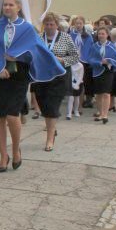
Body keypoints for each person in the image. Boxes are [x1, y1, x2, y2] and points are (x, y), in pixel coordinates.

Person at [0, 0, 65, 172]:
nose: (7, 8)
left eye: (10, 5)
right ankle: (2, 155)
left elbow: (37, 49)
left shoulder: (27, 28)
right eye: (5, 5)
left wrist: (19, 55)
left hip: (19, 74)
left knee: (12, 115)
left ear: (18, 7)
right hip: (0, 73)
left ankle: (15, 151)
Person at [31, 13, 79, 151]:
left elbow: (76, 56)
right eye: (46, 24)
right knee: (44, 106)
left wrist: (62, 60)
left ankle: (50, 138)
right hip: (42, 77)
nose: (49, 27)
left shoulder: (65, 37)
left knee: (52, 106)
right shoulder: (39, 38)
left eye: (52, 24)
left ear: (57, 25)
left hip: (59, 78)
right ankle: (52, 127)